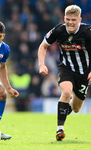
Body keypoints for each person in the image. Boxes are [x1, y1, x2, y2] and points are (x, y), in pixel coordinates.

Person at [38, 5, 91, 141]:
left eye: (74, 20)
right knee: (66, 92)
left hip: (84, 72)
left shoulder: (87, 31)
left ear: (79, 20)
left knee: (76, 108)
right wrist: (42, 64)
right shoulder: (59, 30)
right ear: (64, 18)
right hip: (66, 68)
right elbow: (43, 46)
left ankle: (65, 108)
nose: (70, 23)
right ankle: (59, 129)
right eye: (68, 19)